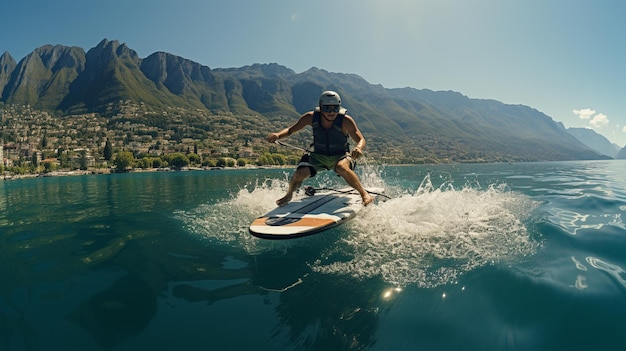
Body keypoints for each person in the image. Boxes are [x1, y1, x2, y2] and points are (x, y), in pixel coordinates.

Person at [267, 90, 374, 207]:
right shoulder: (310, 117)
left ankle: (364, 194)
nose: (331, 112)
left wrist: (358, 148)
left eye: (335, 109)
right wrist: (278, 135)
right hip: (318, 156)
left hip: (341, 156)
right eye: (328, 109)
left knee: (341, 167)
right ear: (321, 108)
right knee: (299, 173)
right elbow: (290, 130)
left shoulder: (346, 121)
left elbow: (361, 139)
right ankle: (289, 194)